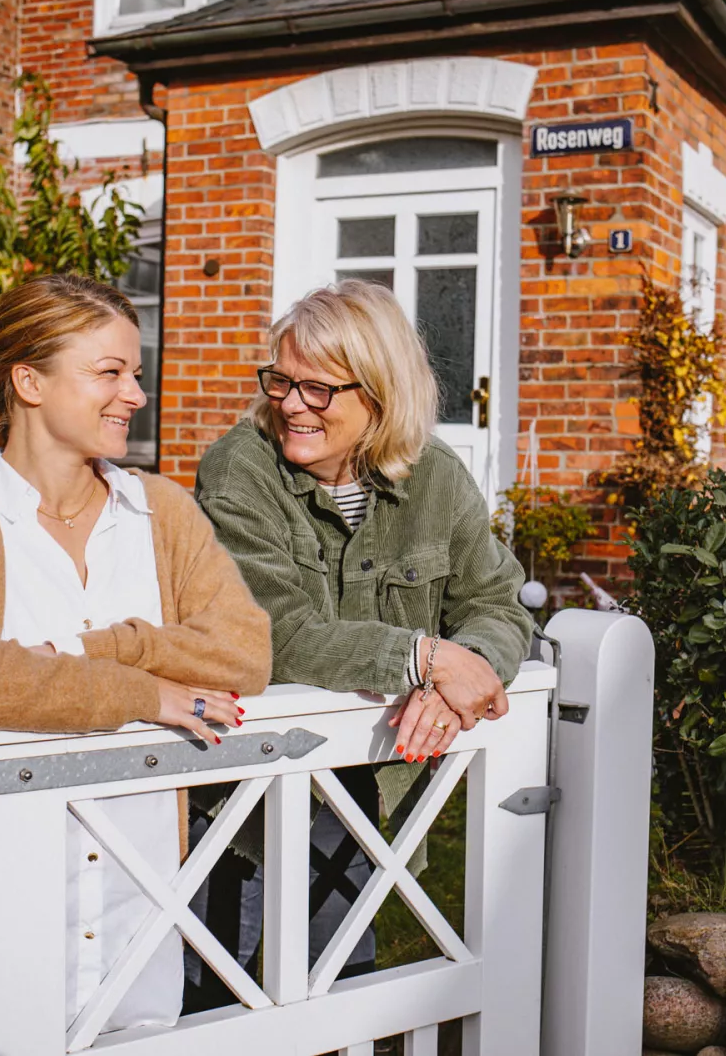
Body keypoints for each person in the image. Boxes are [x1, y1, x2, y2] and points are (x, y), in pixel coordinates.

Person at [0, 274, 271, 1050]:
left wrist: (96, 649)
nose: (135, 393)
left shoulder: (161, 510)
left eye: (134, 372)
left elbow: (246, 649)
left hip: (148, 906)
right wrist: (146, 691)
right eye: (111, 371)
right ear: (29, 381)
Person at [190, 278, 533, 999]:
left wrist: (454, 684)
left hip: (370, 782)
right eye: (280, 380)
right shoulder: (239, 470)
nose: (289, 404)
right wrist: (426, 658)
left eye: (318, 390)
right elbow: (273, 633)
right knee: (211, 998)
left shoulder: (437, 477)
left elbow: (499, 604)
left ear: (380, 393)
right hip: (241, 790)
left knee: (347, 988)